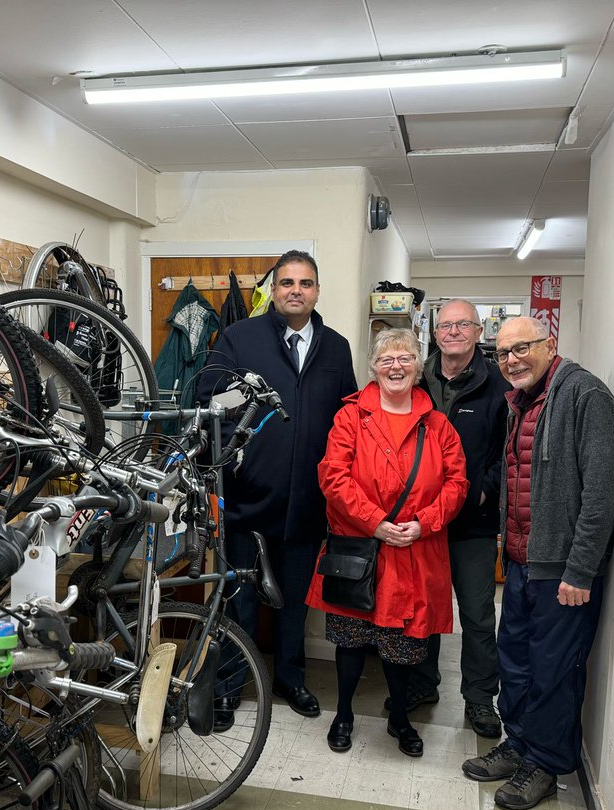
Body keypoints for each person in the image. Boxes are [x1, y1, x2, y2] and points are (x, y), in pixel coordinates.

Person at [462, 316, 614, 810]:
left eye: (522, 348)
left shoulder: (585, 396)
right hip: (522, 561)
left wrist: (580, 569)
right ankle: (519, 745)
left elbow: (600, 492)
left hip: (563, 571)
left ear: (549, 345)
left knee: (553, 671)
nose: (511, 359)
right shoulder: (520, 403)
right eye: (503, 352)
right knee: (517, 661)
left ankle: (546, 765)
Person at [198, 250, 357, 725]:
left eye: (305, 283)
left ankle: (290, 678)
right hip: (245, 494)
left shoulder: (336, 347)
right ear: (275, 290)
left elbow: (347, 415)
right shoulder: (239, 337)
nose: (295, 291)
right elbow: (206, 397)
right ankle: (229, 684)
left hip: (306, 500)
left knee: (292, 599)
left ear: (316, 291)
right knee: (236, 596)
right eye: (286, 282)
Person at [306, 328, 468, 758]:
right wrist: (375, 522)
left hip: (415, 550)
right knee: (351, 637)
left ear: (418, 367)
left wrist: (425, 523)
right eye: (386, 359)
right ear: (374, 368)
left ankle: (400, 717)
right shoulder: (350, 418)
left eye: (405, 358)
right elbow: (333, 477)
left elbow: (457, 483)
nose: (396, 366)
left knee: (402, 645)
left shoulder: (438, 425)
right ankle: (343, 714)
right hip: (360, 547)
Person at [391, 300, 510, 738]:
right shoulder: (417, 380)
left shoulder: (498, 385)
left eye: (463, 325)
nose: (454, 332)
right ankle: (423, 684)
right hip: (420, 524)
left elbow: (508, 451)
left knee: (477, 614)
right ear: (434, 332)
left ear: (479, 331)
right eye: (446, 325)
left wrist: (484, 490)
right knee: (423, 610)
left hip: (471, 524)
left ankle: (480, 699)